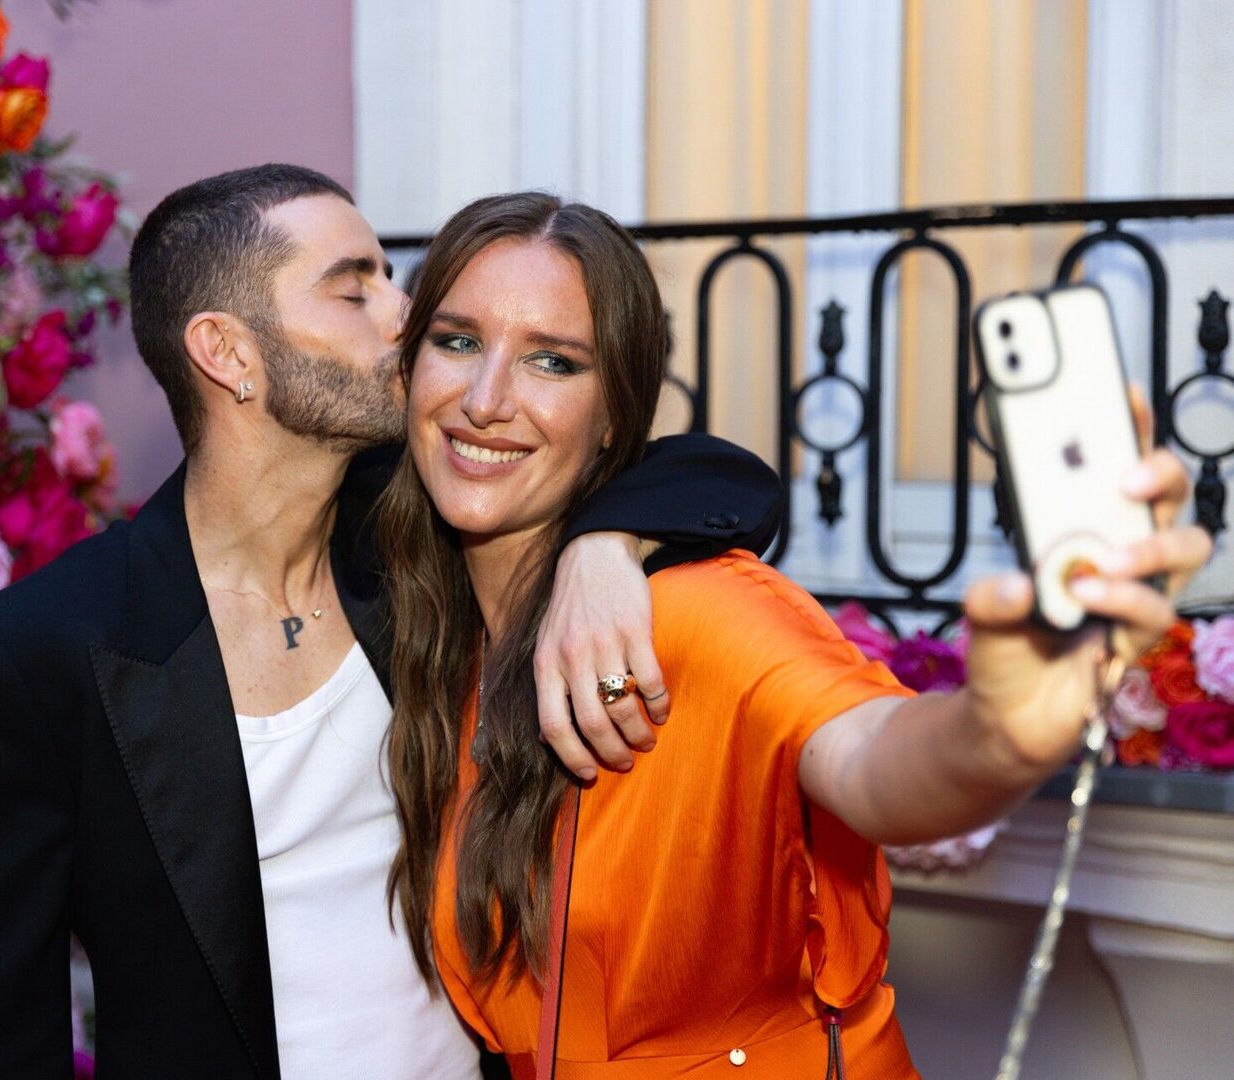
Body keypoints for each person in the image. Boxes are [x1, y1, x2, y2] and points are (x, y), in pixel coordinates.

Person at [0, 166, 785, 1080]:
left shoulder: (413, 538)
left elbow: (725, 477)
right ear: (228, 352)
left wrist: (602, 547)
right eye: (354, 288)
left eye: (390, 277)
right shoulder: (48, 650)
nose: (407, 315)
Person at [380, 192, 1214, 1079]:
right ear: (407, 368)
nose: (485, 399)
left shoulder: (698, 613)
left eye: (552, 361)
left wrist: (999, 730)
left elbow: (872, 760)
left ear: (614, 417)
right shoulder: (429, 632)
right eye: (457, 342)